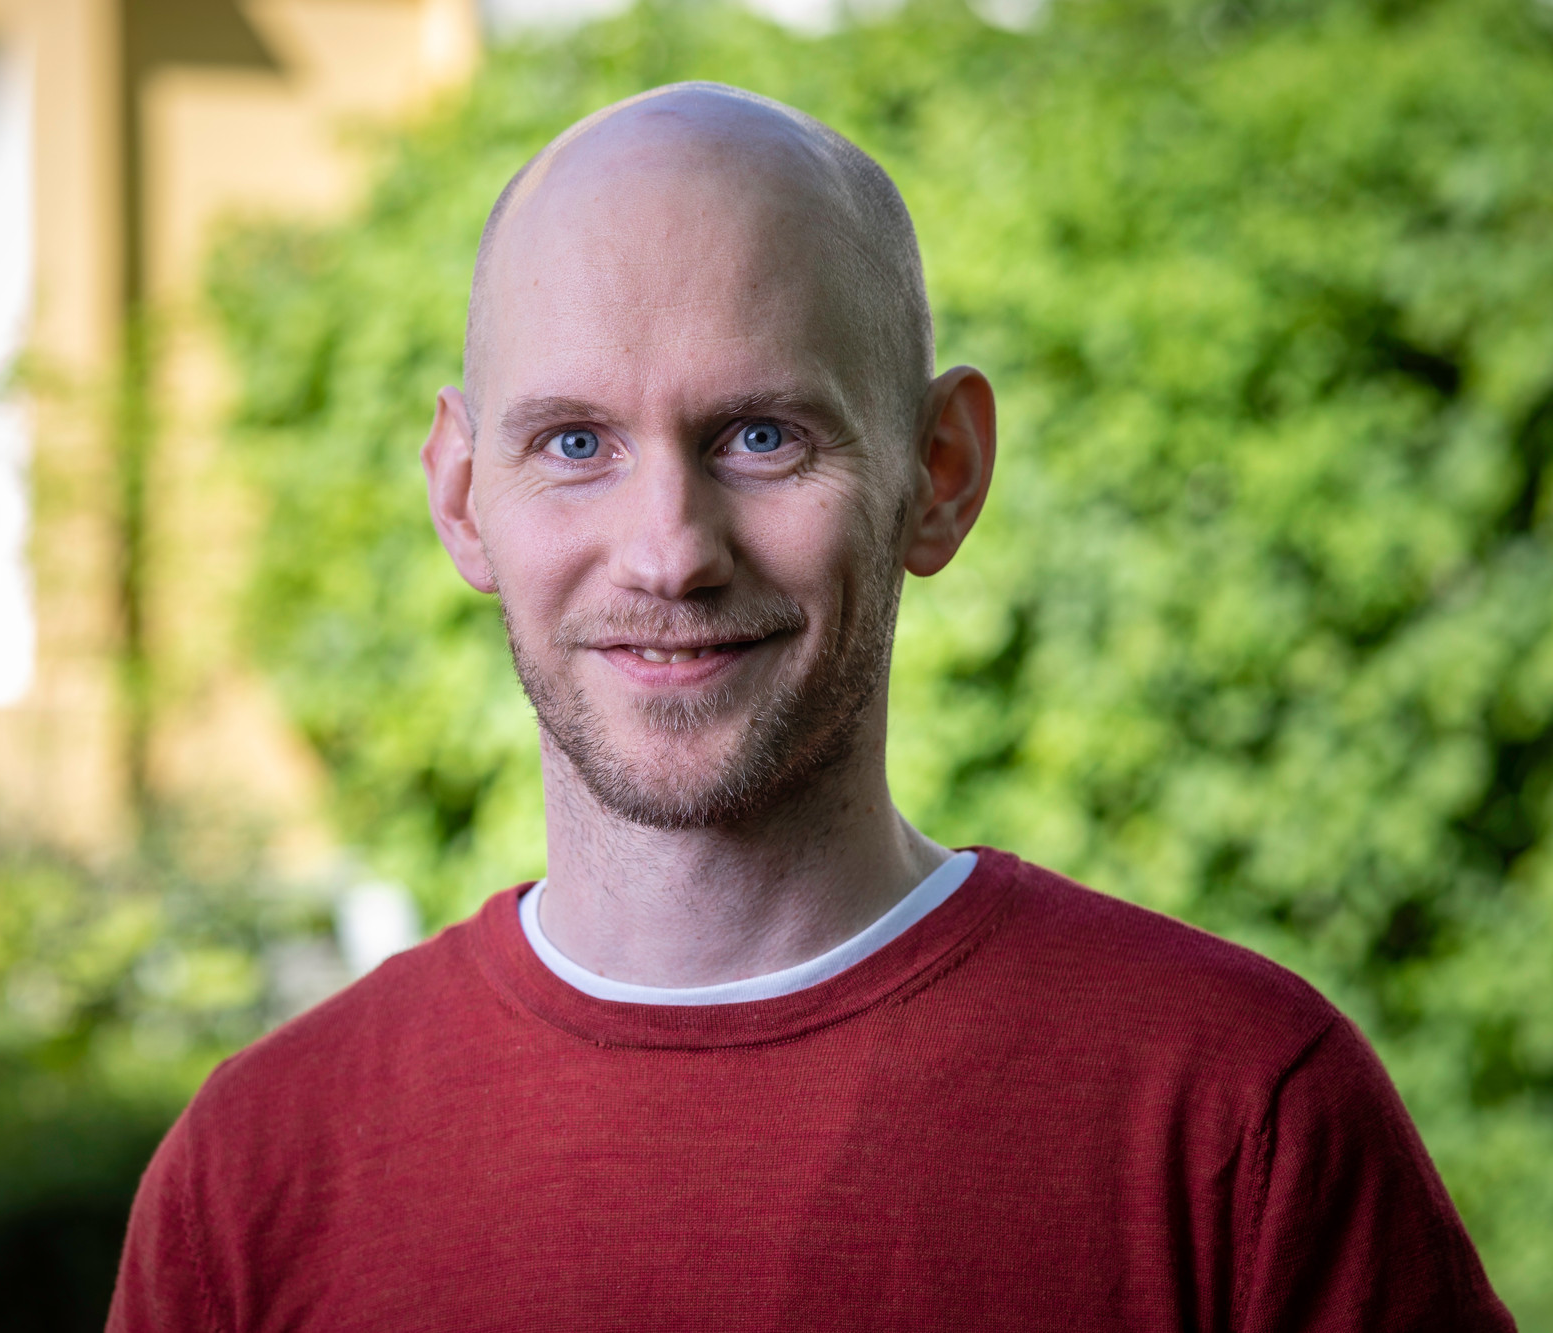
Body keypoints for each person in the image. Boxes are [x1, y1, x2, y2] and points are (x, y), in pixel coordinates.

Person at [107, 83, 1513, 1331]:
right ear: (465, 496)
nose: (669, 551)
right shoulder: (253, 1180)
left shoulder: (1238, 1121)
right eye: (577, 442)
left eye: (761, 436)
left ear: (941, 472)